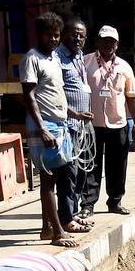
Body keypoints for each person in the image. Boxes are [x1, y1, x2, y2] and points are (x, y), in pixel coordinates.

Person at [21, 12, 77, 248]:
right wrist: (43, 128)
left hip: (59, 124)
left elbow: (56, 92)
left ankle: (47, 227)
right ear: (39, 35)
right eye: (49, 35)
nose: (53, 40)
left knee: (56, 177)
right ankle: (57, 233)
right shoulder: (32, 58)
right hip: (45, 125)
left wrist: (74, 114)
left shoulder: (54, 59)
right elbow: (29, 95)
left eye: (56, 35)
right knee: (48, 181)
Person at [82, 26, 135, 216]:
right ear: (98, 41)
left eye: (112, 41)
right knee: (91, 164)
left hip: (118, 123)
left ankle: (115, 202)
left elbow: (132, 96)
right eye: (105, 40)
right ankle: (88, 204)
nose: (108, 44)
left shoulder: (124, 66)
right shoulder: (85, 63)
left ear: (117, 44)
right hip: (92, 124)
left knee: (118, 164)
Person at [55, 19, 95, 228]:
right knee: (68, 173)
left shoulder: (79, 57)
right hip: (67, 125)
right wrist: (75, 114)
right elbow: (55, 95)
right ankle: (66, 219)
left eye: (81, 35)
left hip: (81, 127)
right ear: (64, 35)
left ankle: (73, 211)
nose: (77, 38)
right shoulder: (57, 58)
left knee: (81, 172)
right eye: (74, 34)